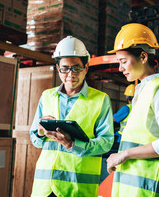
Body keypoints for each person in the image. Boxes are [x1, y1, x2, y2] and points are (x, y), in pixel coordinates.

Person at [29, 36, 114, 197]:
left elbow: (106, 142)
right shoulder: (46, 96)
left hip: (76, 188)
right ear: (58, 67)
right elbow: (35, 140)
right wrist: (40, 132)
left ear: (86, 68)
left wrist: (73, 144)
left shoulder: (101, 100)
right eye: (65, 68)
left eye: (76, 68)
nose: (70, 74)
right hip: (45, 187)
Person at [106, 23, 159, 197]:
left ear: (143, 56)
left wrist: (124, 154)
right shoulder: (143, 91)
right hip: (135, 189)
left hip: (149, 189)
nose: (120, 68)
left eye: (123, 61)